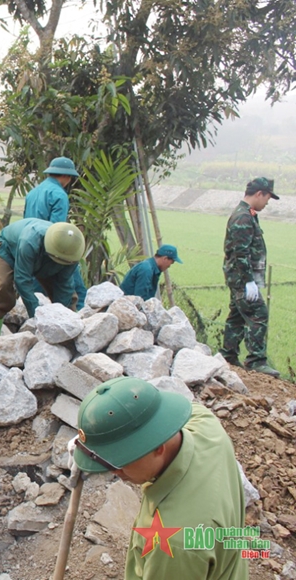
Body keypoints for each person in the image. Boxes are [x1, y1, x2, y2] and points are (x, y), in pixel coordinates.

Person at [72, 377, 248, 580]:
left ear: (158, 447)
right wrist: (95, 446)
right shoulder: (207, 427)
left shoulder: (174, 544)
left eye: (120, 461)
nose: (115, 472)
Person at [0, 218, 84, 360]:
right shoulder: (29, 241)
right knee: (4, 288)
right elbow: (22, 280)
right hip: (9, 250)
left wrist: (61, 318)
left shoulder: (72, 252)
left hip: (48, 259)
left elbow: (64, 284)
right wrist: (37, 318)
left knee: (69, 299)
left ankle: (70, 342)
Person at [220, 177, 279, 376]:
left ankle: (228, 354)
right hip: (241, 278)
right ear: (259, 194)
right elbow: (240, 252)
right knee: (258, 314)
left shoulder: (248, 214)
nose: (267, 203)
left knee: (237, 316)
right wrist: (248, 281)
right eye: (267, 198)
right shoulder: (243, 217)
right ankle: (256, 360)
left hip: (239, 278)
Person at [22, 156, 87, 309]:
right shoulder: (59, 195)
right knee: (77, 290)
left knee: (37, 293)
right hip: (50, 249)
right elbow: (56, 230)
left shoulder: (32, 193)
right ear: (66, 176)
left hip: (29, 247)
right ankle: (78, 322)